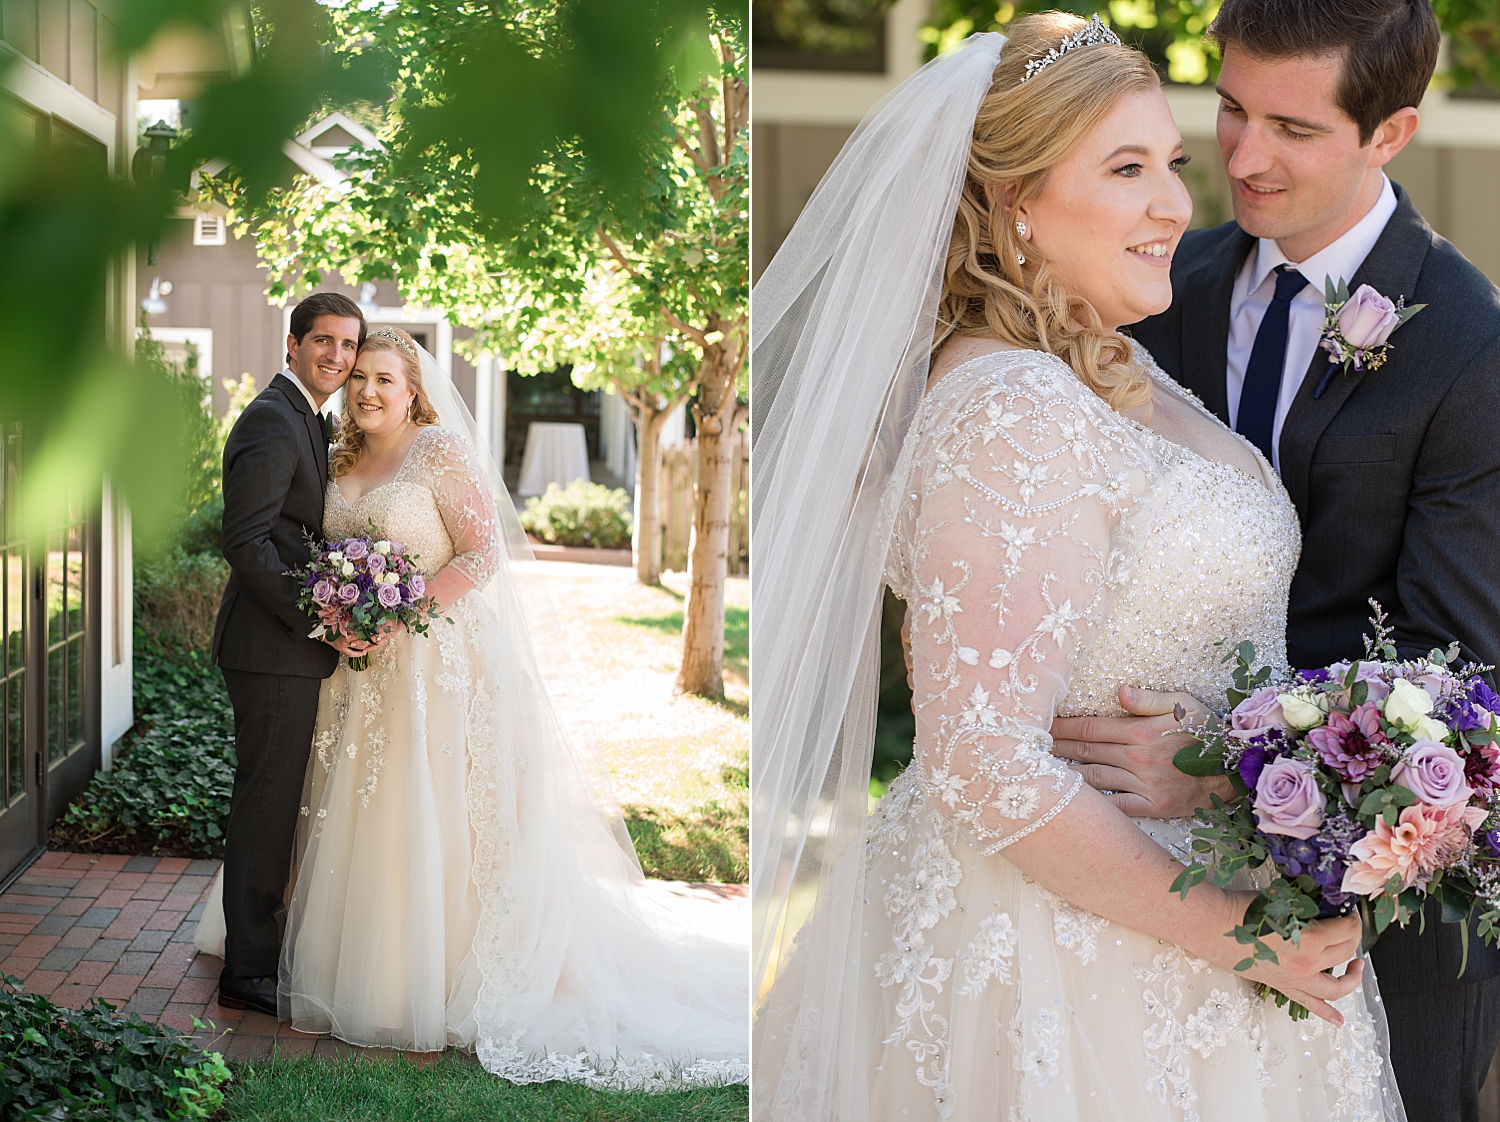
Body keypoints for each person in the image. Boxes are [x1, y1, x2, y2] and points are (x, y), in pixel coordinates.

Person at [751, 14, 1406, 1120]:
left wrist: (1252, 778)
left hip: (1196, 942)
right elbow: (982, 761)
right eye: (1126, 168)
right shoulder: (1013, 404)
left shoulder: (1111, 366)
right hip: (1062, 962)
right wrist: (1244, 938)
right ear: (1015, 203)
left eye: (1171, 165)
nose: (1176, 206)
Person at [1056, 3, 1500, 1118]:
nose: (1244, 160)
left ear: (1389, 133)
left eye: (1294, 130)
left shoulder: (1470, 347)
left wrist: (1217, 767)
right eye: (1232, 111)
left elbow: (1457, 683)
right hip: (1141, 878)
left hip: (1377, 924)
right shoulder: (1162, 286)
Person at [201, 325, 748, 1087]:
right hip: (356, 666)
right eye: (359, 379)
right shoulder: (338, 455)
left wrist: (400, 611)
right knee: (359, 807)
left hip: (435, 656)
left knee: (439, 810)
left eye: (384, 380)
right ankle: (350, 956)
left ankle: (439, 970)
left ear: (414, 389)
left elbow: (482, 553)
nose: (367, 391)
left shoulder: (439, 451)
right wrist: (344, 613)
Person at [209, 291, 373, 1016]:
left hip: (283, 648)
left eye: (348, 344)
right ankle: (247, 973)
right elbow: (244, 543)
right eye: (324, 341)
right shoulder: (275, 420)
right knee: (267, 806)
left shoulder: (308, 416)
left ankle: (258, 950)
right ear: (293, 342)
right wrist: (323, 617)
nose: (337, 356)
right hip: (269, 648)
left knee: (273, 804)